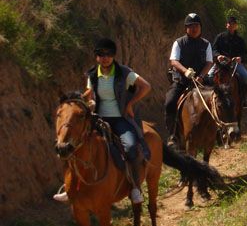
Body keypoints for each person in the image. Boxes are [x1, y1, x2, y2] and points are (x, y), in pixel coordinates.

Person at [53, 37, 152, 205]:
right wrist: (84, 102)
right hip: (97, 118)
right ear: (96, 56)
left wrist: (130, 104)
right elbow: (88, 94)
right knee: (74, 144)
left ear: (113, 56)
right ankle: (70, 187)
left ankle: (135, 187)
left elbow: (146, 87)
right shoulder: (92, 74)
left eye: (109, 54)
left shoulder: (124, 72)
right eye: (101, 54)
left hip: (119, 119)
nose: (105, 57)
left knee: (130, 146)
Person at [165, 13, 213, 148]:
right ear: (186, 28)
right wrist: (185, 71)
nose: (194, 28)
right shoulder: (179, 42)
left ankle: (222, 130)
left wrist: (201, 76)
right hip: (182, 81)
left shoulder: (206, 44)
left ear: (200, 27)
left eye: (196, 25)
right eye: (191, 26)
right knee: (170, 102)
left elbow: (209, 62)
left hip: (200, 81)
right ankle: (173, 135)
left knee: (220, 97)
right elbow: (174, 61)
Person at [210, 15, 247, 109]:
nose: (232, 25)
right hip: (221, 63)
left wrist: (240, 58)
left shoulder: (240, 40)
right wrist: (218, 56)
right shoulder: (220, 37)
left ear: (236, 26)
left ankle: (243, 98)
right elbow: (213, 49)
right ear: (227, 25)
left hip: (235, 64)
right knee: (208, 76)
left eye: (234, 24)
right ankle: (208, 97)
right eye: (230, 24)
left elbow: (245, 53)